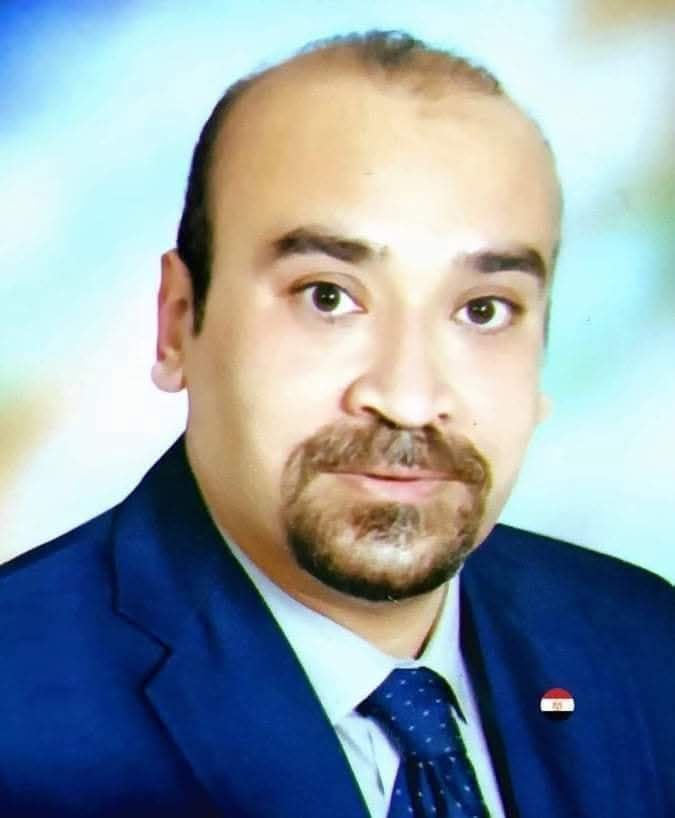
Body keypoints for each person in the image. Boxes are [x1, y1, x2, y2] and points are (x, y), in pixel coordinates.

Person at [0, 30, 672, 818]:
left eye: (483, 310)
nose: (409, 398)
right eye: (328, 297)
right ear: (178, 323)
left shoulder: (644, 643)